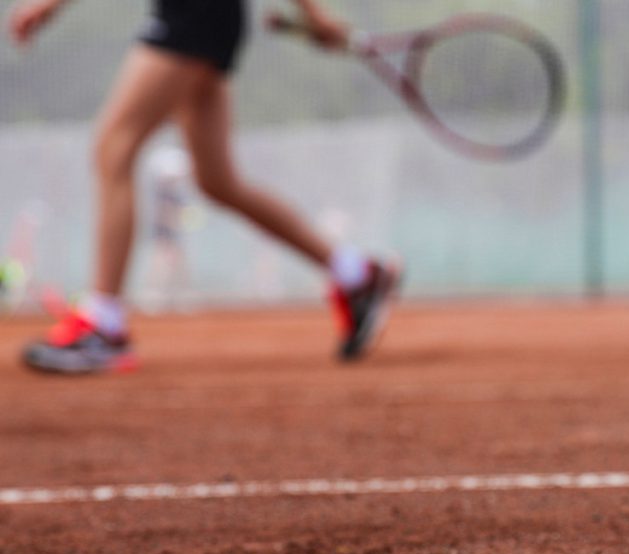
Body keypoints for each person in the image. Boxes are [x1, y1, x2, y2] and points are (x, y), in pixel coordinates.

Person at [6, 0, 400, 374]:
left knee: (113, 149)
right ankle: (356, 273)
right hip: (205, 17)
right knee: (218, 181)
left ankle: (103, 324)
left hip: (194, 15)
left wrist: (315, 15)